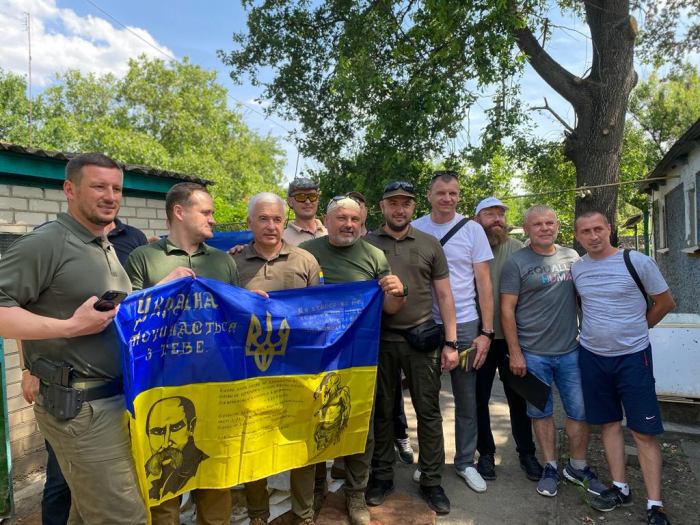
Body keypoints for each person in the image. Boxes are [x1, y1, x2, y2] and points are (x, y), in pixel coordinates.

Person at [0, 152, 148, 524]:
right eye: (98, 186)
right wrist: (69, 327)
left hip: (109, 402)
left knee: (84, 513)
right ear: (69, 189)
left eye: (116, 188)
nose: (110, 196)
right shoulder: (47, 242)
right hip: (81, 408)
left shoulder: (103, 244)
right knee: (124, 518)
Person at [124, 182, 241, 525]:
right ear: (179, 212)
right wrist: (164, 285)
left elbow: (232, 317)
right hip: (162, 389)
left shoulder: (222, 261)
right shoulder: (144, 258)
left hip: (216, 384)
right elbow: (124, 315)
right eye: (206, 212)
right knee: (163, 486)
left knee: (216, 475)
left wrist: (256, 305)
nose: (214, 220)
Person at [300, 195, 406, 525]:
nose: (349, 224)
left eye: (355, 220)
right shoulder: (307, 253)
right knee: (314, 422)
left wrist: (396, 291)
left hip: (359, 356)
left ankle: (355, 493)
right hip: (314, 356)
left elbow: (390, 309)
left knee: (361, 423)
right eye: (341, 218)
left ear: (361, 223)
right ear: (327, 221)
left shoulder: (373, 255)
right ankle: (317, 488)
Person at [572, 211, 675, 525]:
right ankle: (620, 487)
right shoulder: (577, 269)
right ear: (577, 236)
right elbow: (582, 304)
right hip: (592, 356)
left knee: (643, 432)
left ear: (609, 229)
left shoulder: (637, 262)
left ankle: (655, 505)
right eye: (586, 232)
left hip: (633, 357)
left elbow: (665, 302)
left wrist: (637, 330)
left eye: (598, 229)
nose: (593, 236)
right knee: (609, 424)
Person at [363, 181, 458, 515]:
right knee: (382, 412)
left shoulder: (430, 244)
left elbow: (445, 295)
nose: (399, 209)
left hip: (422, 340)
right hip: (380, 341)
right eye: (393, 203)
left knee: (428, 411)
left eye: (405, 203)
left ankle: (432, 481)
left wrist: (451, 342)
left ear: (414, 207)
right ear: (382, 207)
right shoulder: (366, 243)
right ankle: (381, 476)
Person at [500, 205, 607, 499]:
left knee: (579, 411)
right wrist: (515, 353)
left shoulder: (573, 257)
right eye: (537, 224)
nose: (545, 228)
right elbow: (506, 311)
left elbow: (584, 299)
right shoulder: (516, 262)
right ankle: (549, 467)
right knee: (540, 412)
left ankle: (578, 466)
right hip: (533, 353)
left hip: (571, 350)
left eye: (550, 223)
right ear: (526, 229)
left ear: (558, 225)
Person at [232, 192, 323, 525]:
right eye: (263, 219)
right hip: (250, 370)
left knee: (301, 443)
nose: (271, 226)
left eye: (277, 219)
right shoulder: (234, 262)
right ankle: (258, 515)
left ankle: (304, 515)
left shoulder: (306, 261)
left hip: (297, 369)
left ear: (285, 222)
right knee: (252, 443)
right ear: (250, 223)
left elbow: (319, 312)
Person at [412, 171, 494, 494]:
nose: (447, 199)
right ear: (430, 195)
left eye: (454, 193)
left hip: (465, 325)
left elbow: (484, 283)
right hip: (424, 323)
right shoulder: (416, 228)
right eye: (441, 193)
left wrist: (486, 331)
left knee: (466, 397)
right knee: (426, 399)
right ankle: (429, 462)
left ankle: (464, 462)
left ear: (459, 197)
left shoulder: (473, 231)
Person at [473, 197, 542, 482]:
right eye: (490, 214)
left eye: (501, 214)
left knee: (520, 400)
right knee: (478, 400)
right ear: (476, 218)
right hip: (479, 339)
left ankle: (527, 453)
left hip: (514, 339)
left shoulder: (518, 250)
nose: (497, 219)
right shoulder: (468, 247)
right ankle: (486, 454)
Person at [283, 177, 327, 245]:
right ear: (290, 201)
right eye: (301, 197)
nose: (307, 201)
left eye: (312, 196)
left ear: (317, 199)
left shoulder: (330, 233)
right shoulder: (281, 239)